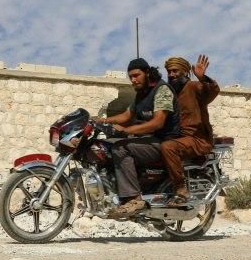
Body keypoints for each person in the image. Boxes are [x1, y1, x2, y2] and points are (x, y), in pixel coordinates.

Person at [92, 57, 180, 218]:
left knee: (121, 148)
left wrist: (126, 130)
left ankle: (133, 198)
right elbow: (126, 115)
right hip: (148, 140)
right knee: (107, 145)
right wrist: (101, 120)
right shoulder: (141, 94)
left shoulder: (162, 90)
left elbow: (158, 123)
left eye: (136, 75)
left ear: (147, 73)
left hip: (165, 141)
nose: (133, 79)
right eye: (130, 76)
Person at [160, 54, 220, 206]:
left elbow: (211, 91)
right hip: (179, 138)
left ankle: (181, 189)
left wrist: (202, 78)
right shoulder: (171, 93)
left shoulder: (193, 87)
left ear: (185, 72)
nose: (171, 75)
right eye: (169, 71)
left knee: (168, 147)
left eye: (175, 71)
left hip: (197, 139)